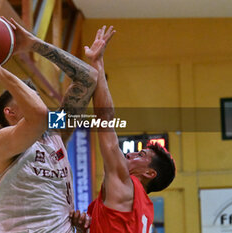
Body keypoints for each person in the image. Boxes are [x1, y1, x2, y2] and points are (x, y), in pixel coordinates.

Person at [0, 17, 98, 233]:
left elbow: (89, 78)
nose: (37, 100)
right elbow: (38, 114)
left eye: (36, 96)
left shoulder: (54, 132)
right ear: (10, 112)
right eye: (28, 96)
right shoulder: (2, 141)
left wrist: (34, 44)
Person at [71, 26, 176, 232]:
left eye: (141, 154)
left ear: (150, 173)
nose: (130, 153)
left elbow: (105, 119)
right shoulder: (143, 209)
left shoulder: (127, 186)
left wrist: (97, 63)